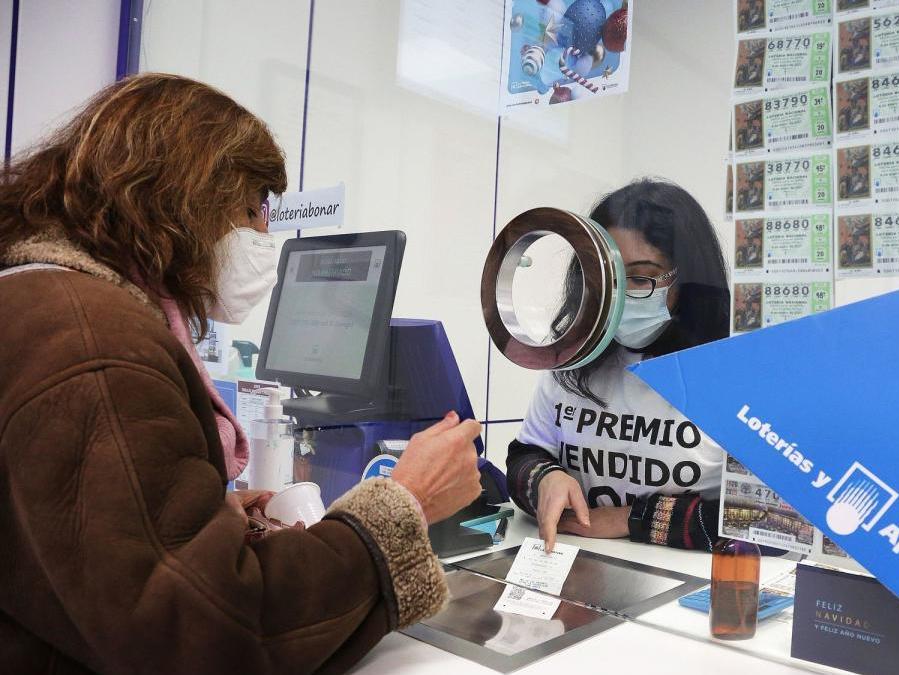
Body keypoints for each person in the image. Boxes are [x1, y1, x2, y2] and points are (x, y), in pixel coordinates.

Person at [0, 73, 484, 674]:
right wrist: (402, 507)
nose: (263, 234)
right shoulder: (95, 346)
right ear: (187, 198)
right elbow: (203, 636)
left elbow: (94, 559)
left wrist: (206, 519)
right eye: (255, 210)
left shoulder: (43, 302)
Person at [506, 179, 731, 552]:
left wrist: (632, 519)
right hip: (577, 569)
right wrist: (545, 478)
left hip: (690, 595)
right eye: (608, 278)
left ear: (689, 279)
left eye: (641, 277)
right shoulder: (574, 363)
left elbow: (772, 520)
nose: (621, 297)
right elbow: (525, 455)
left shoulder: (730, 373)